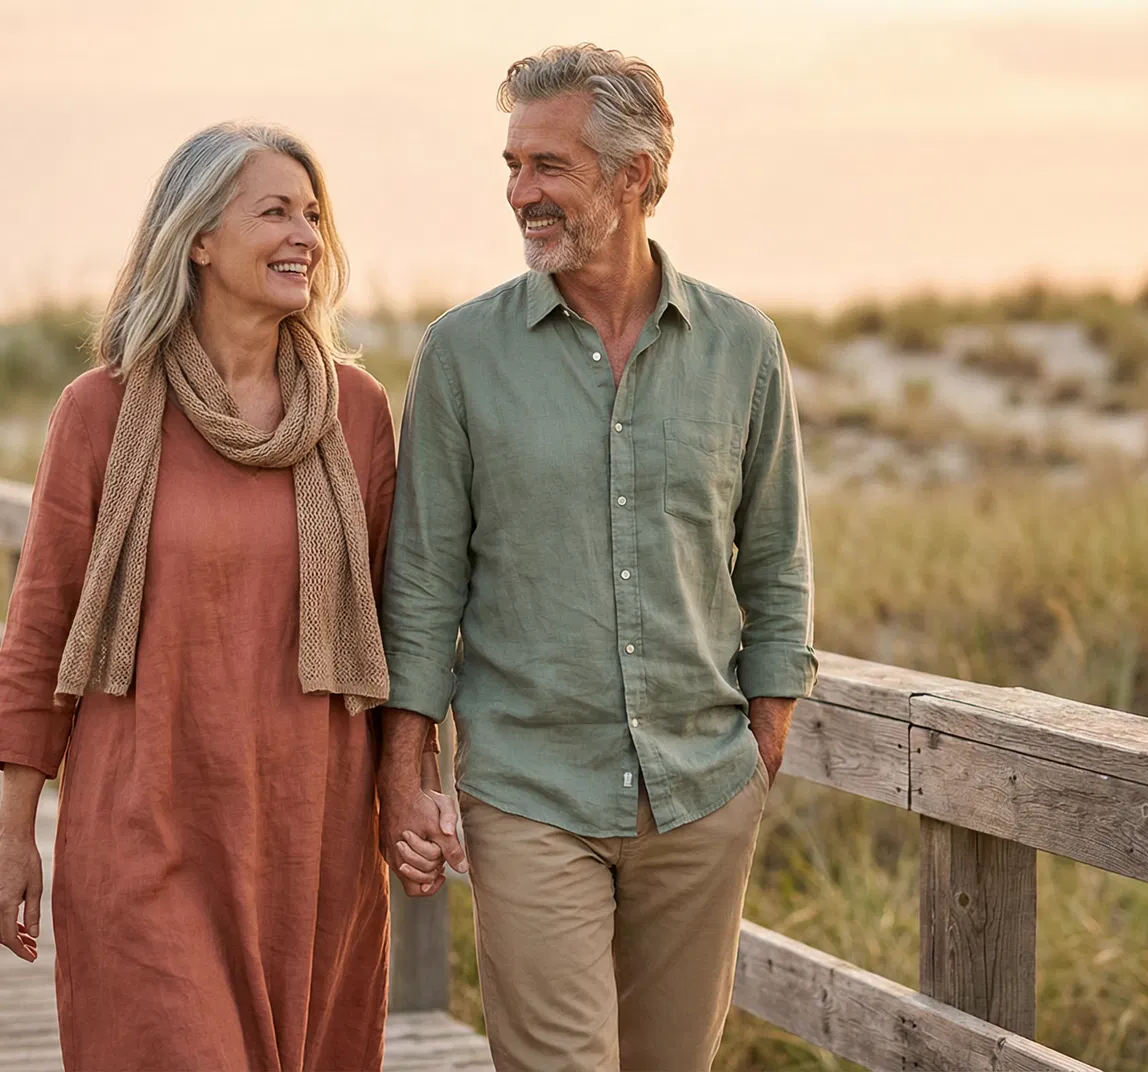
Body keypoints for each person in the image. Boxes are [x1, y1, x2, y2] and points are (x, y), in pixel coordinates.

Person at [377, 44, 817, 1072]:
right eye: (512, 166)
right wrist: (406, 771)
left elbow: (776, 563)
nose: (519, 192)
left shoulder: (743, 348)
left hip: (701, 792)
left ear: (634, 176)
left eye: (548, 166)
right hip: (529, 790)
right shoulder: (461, 355)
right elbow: (424, 583)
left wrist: (760, 748)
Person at [0, 121, 446, 1071]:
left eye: (312, 214)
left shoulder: (355, 414)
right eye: (275, 212)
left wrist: (410, 787)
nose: (305, 235)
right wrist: (13, 835)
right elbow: (42, 624)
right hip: (146, 823)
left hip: (310, 836)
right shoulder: (101, 410)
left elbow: (400, 627)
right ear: (197, 238)